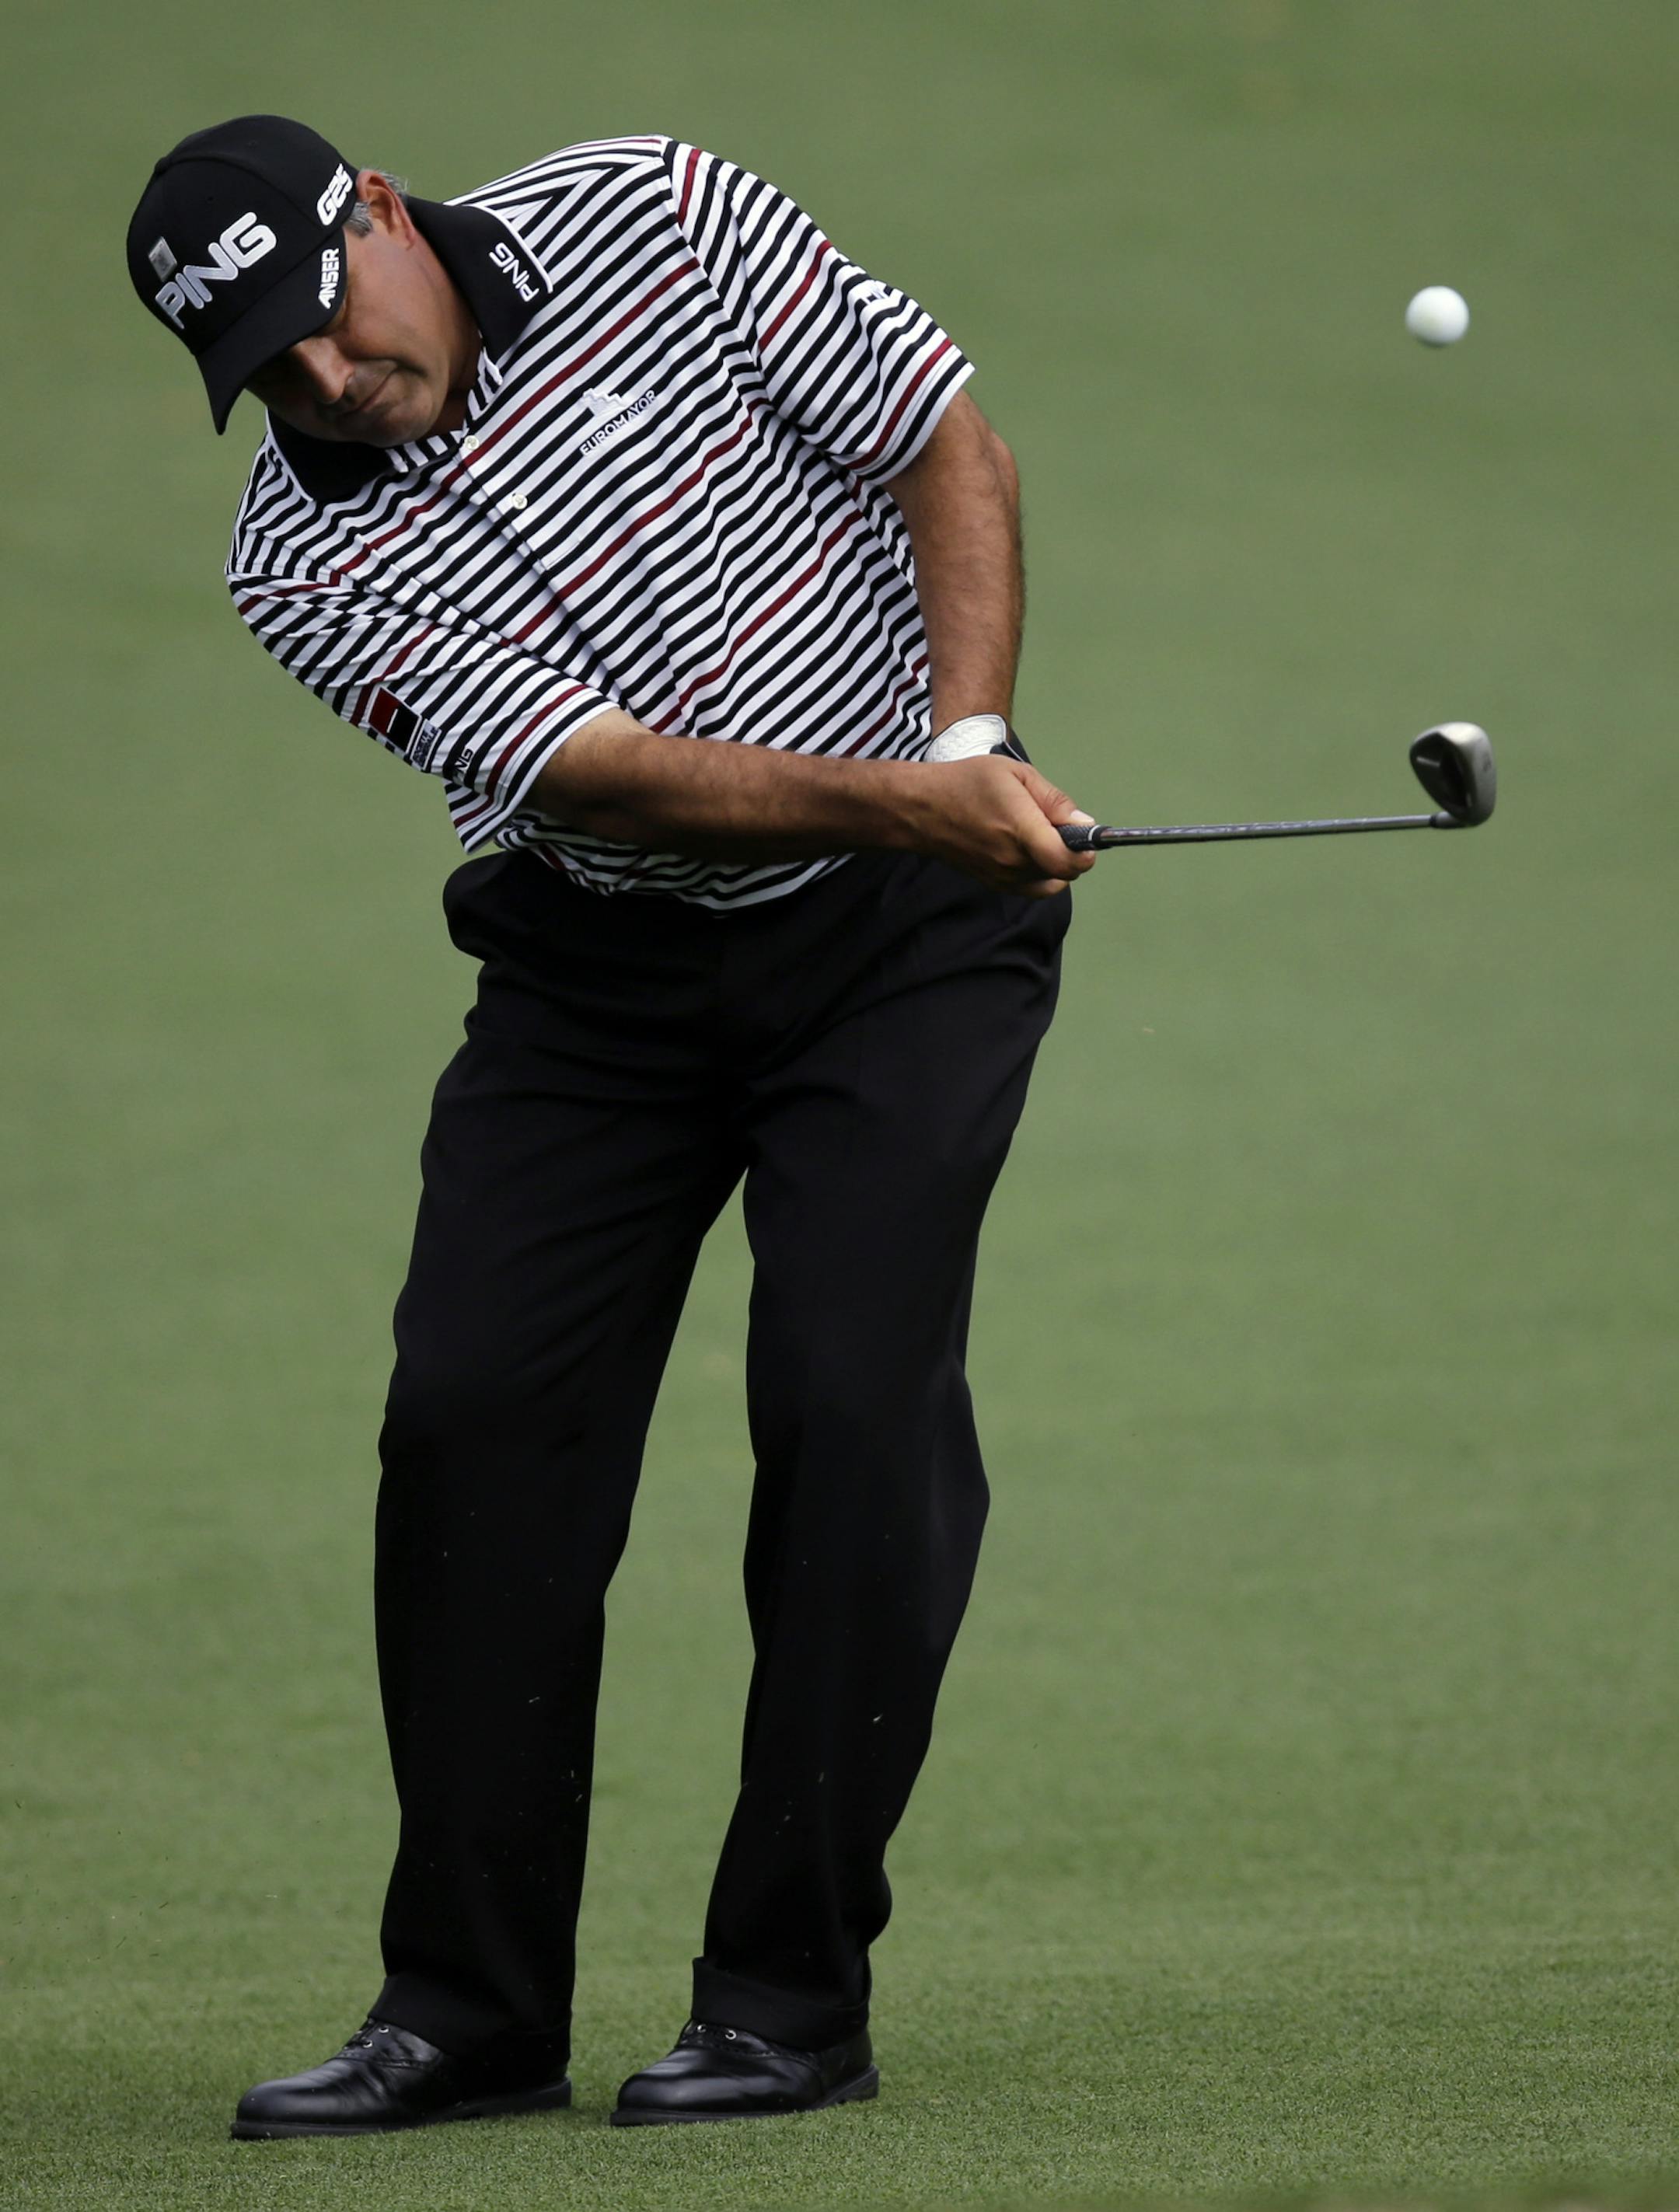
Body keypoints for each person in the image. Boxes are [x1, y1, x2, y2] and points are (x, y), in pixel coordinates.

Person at [126, 113, 1094, 2139]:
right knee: (472, 1416)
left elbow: (946, 447)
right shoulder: (297, 558)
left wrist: (971, 749)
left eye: (325, 321)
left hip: (911, 949)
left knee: (850, 1402)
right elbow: (605, 780)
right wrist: (913, 798)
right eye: (265, 376)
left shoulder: (664, 211)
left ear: (377, 209)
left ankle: (785, 1999)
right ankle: (468, 2014)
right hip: (599, 982)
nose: (323, 383)